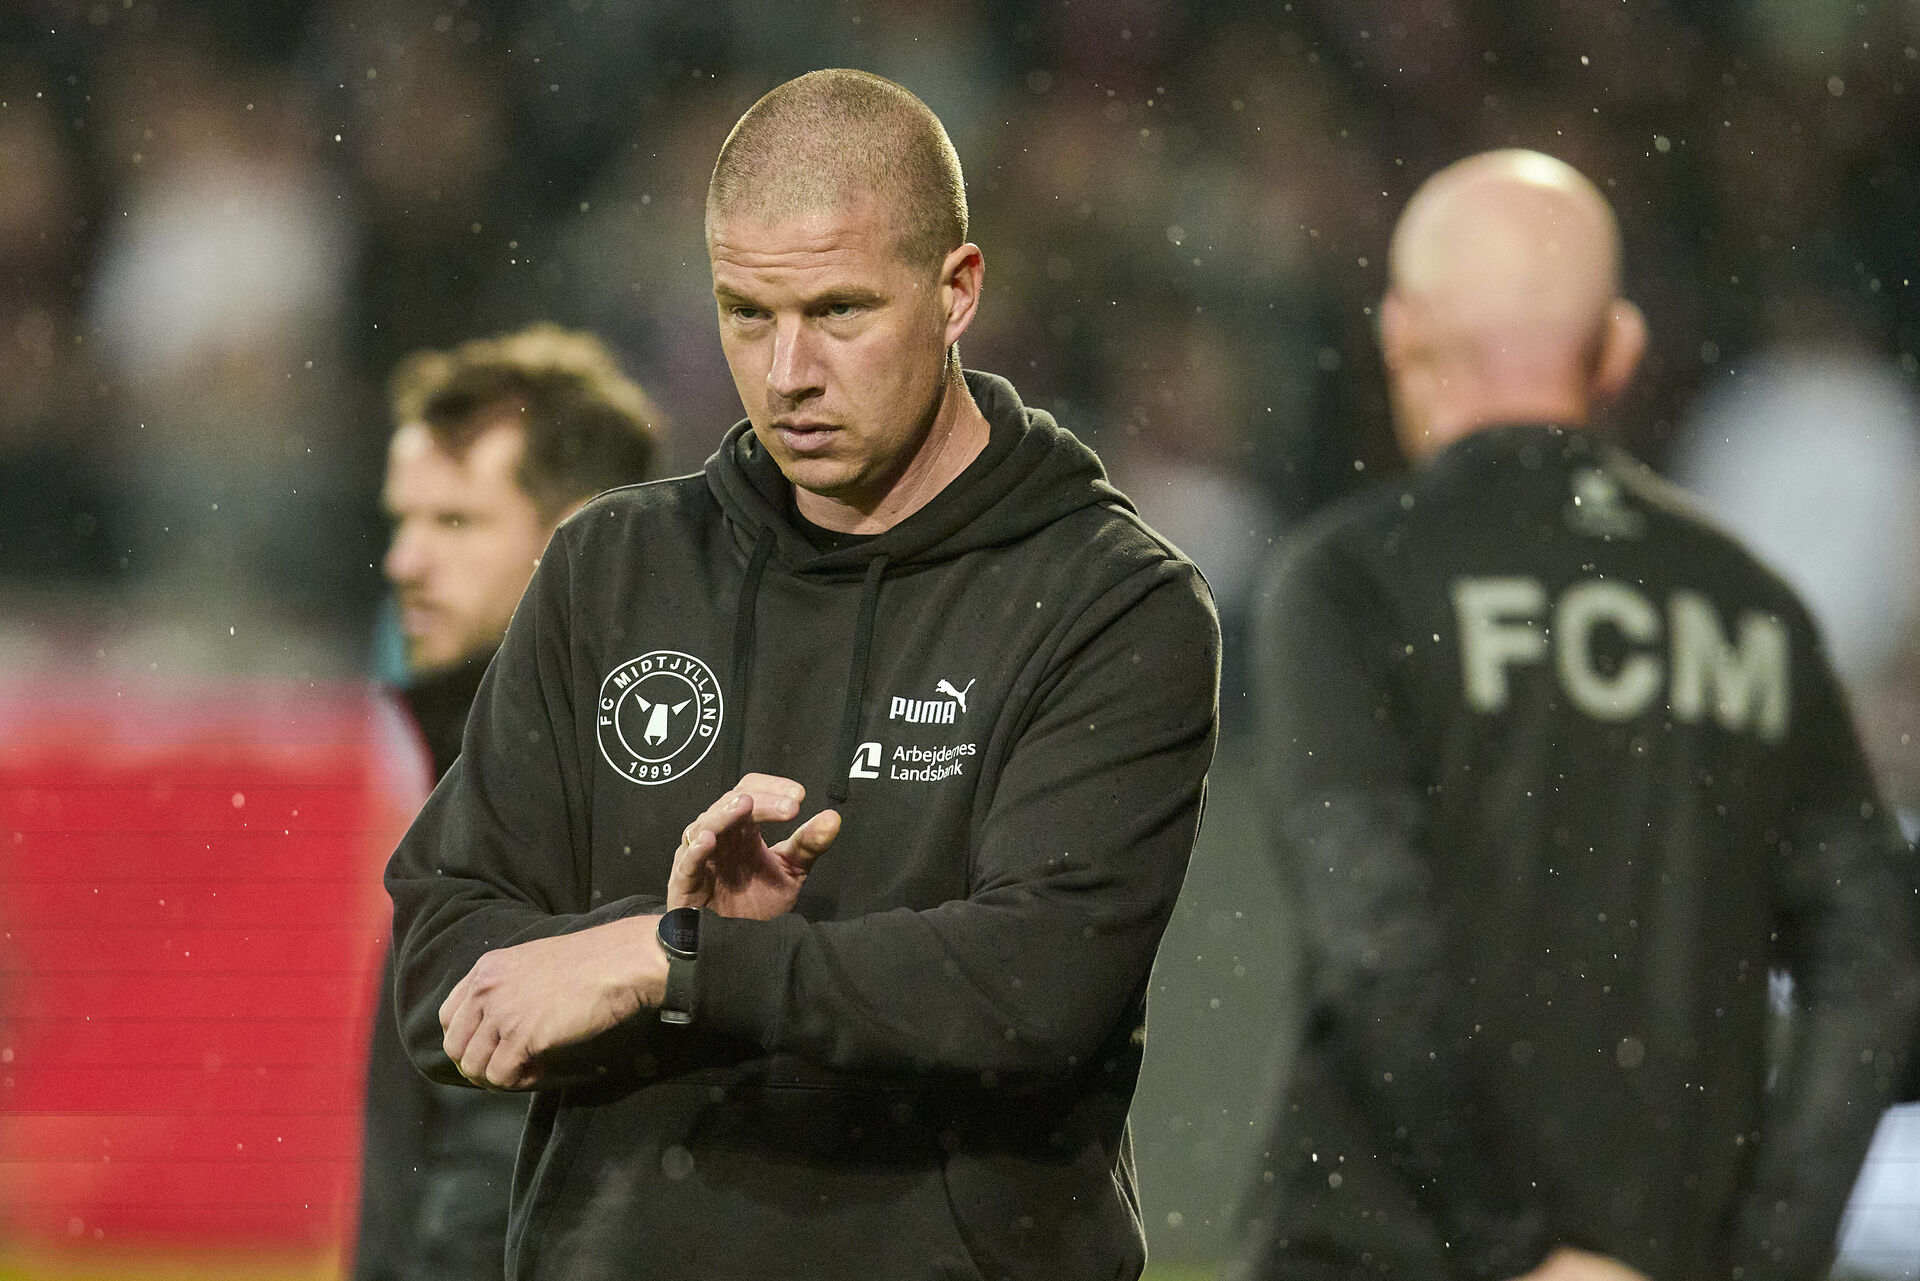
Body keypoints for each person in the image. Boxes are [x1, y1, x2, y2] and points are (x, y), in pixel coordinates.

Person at [384, 69, 1219, 1281]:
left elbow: (1032, 987)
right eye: (743, 313)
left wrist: (676, 970)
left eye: (837, 311)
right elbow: (441, 969)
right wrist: (662, 947)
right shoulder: (612, 567)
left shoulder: (1111, 601)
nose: (786, 373)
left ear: (957, 291)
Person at [1231, 150, 1920, 1281]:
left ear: (1404, 331)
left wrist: (1517, 1248)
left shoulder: (1353, 580)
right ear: (1621, 349)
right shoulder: (1751, 606)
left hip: (1387, 1252)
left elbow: (1377, 938)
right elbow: (1875, 960)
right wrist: (1768, 1256)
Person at [355, 324, 661, 1281]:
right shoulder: (478, 759)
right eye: (401, 521)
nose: (405, 561)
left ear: (578, 537)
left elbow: (500, 1170)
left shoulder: (598, 788)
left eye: (453, 523)